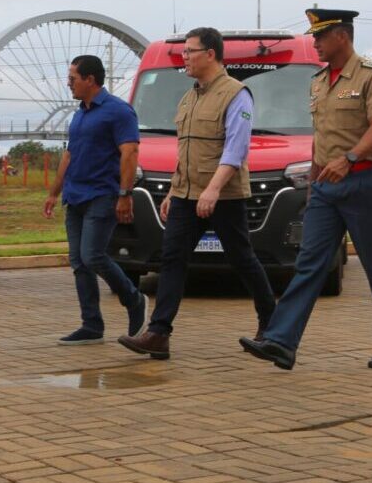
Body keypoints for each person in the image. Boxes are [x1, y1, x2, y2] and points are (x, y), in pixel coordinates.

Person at [240, 8, 372, 370]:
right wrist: (315, 182)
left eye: (320, 36)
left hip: (364, 182)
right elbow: (321, 138)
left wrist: (349, 158)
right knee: (309, 265)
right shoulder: (317, 80)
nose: (314, 42)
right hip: (326, 189)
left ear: (342, 37)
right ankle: (282, 343)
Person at [118, 27, 276, 360]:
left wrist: (213, 190)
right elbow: (185, 152)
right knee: (171, 258)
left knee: (242, 259)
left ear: (211, 54)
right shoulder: (189, 96)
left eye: (190, 51)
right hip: (186, 195)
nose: (184, 57)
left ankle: (271, 323)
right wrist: (174, 192)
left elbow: (236, 148)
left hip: (224, 196)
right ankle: (159, 333)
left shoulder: (236, 94)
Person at [43, 55, 147, 345]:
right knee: (79, 262)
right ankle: (91, 325)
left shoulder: (119, 112)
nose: (68, 84)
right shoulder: (80, 113)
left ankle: (134, 299)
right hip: (74, 197)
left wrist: (125, 194)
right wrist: (54, 192)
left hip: (103, 194)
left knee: (93, 255)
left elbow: (130, 153)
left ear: (90, 79)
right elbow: (69, 154)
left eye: (73, 78)